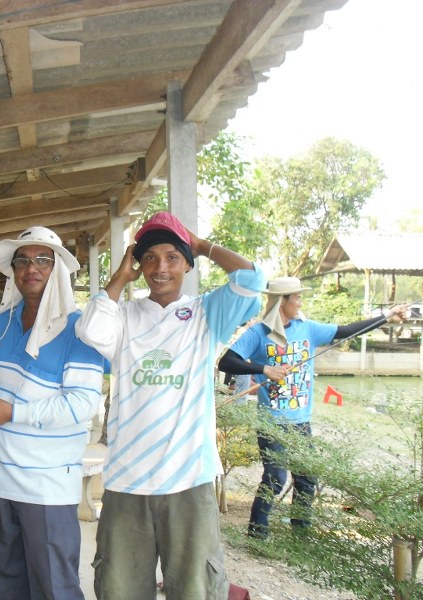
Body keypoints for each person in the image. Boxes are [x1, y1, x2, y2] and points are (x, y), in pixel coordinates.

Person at [75, 210, 265, 600]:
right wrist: (120, 276)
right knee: (118, 588)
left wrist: (200, 244)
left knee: (195, 588)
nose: (161, 267)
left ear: (187, 265)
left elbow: (251, 279)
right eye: (150, 258)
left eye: (173, 257)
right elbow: (90, 328)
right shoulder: (124, 316)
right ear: (138, 265)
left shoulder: (206, 314)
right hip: (128, 480)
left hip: (189, 480)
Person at [0, 226, 105, 600]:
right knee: (7, 581)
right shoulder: (0, 325)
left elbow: (82, 404)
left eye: (44, 259)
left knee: (54, 587)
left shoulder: (80, 331)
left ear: (58, 268)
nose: (33, 268)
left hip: (45, 485)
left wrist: (13, 413)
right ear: (13, 270)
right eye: (23, 260)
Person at [217, 276, 408, 539]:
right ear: (282, 302)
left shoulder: (307, 329)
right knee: (275, 478)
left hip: (300, 421)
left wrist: (386, 317)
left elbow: (345, 331)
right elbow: (226, 361)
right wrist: (264, 368)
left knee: (307, 478)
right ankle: (257, 533)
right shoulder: (258, 333)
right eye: (297, 297)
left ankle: (301, 533)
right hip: (272, 422)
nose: (300, 301)